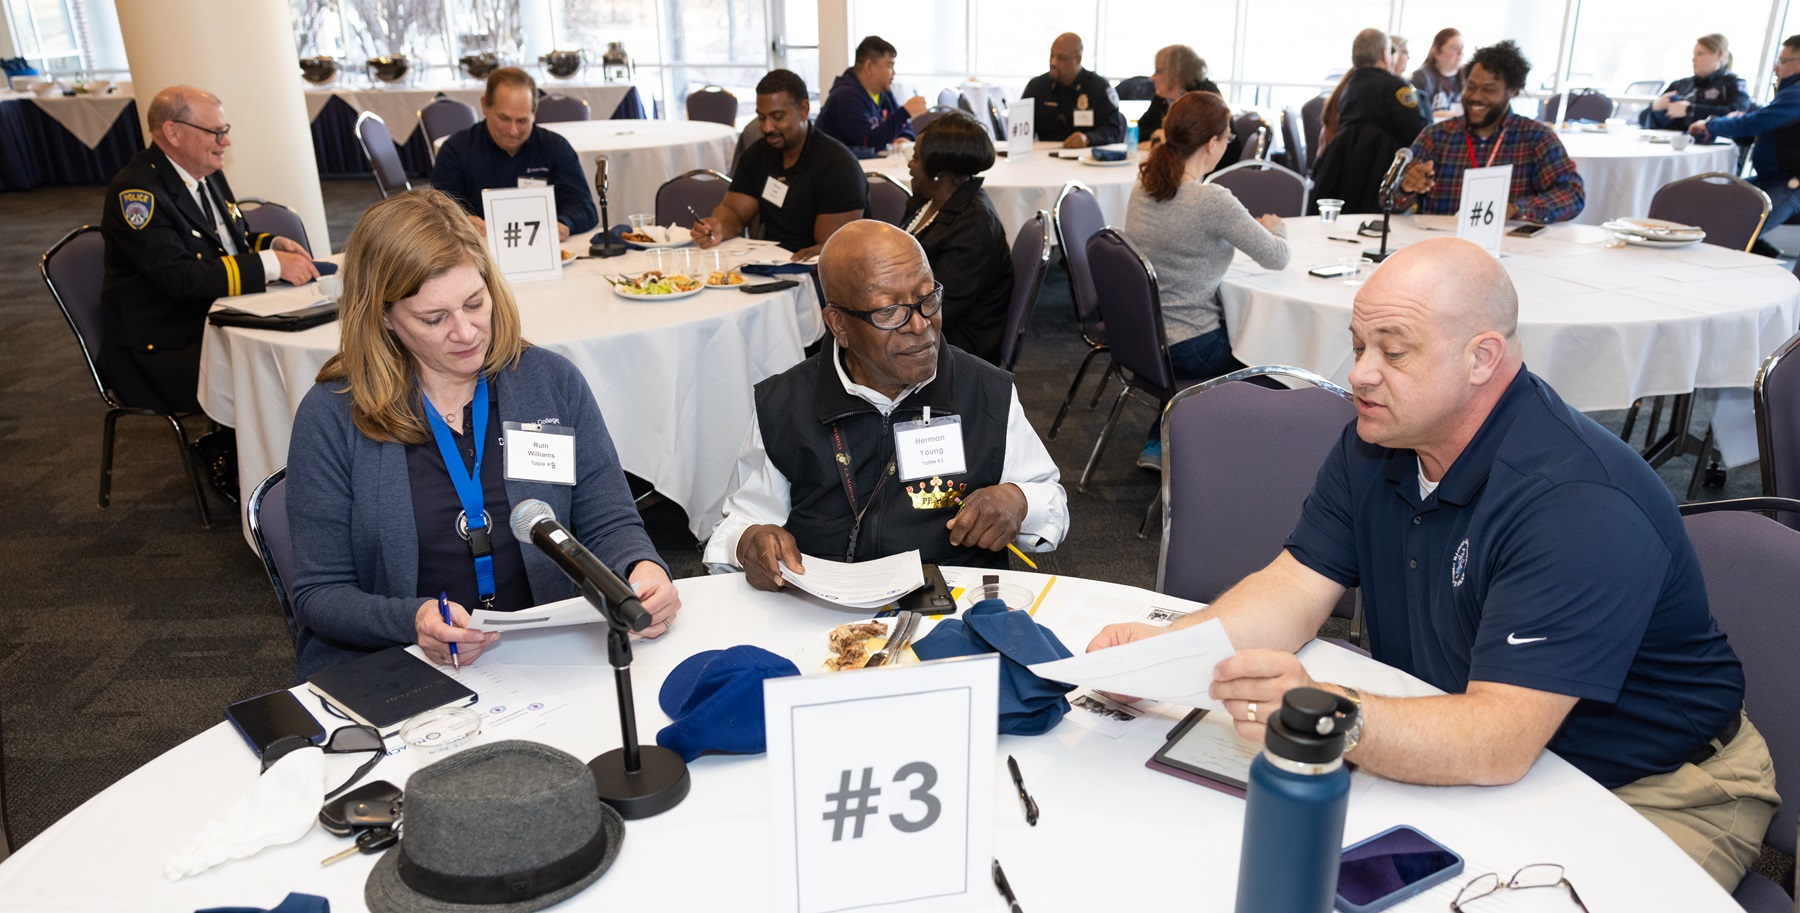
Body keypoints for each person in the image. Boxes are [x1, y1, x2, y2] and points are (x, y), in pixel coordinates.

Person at [1088, 236, 1777, 893]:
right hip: (1483, 734)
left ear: (1482, 357)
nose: (1359, 373)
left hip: (1659, 789)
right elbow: (1293, 585)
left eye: (1394, 351)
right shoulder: (1381, 436)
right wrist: (1165, 653)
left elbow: (1500, 738)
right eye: (1359, 346)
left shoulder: (1576, 502)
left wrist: (1328, 716)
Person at [285, 190, 679, 679]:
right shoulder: (333, 415)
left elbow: (609, 524)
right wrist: (411, 620)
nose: (467, 332)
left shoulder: (549, 382)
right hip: (402, 666)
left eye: (475, 303)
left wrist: (643, 570)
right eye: (434, 318)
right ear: (383, 317)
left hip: (549, 653)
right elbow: (320, 594)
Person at [703, 221, 1067, 587]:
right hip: (821, 607)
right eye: (889, 311)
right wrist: (748, 542)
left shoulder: (986, 392)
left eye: (928, 298)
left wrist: (1018, 500)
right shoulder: (785, 404)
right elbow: (741, 522)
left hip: (950, 604)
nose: (920, 325)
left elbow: (1052, 503)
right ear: (839, 325)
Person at [100, 85, 318, 415]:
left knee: (303, 344)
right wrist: (271, 264)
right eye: (216, 132)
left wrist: (271, 245)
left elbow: (225, 242)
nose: (225, 142)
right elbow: (181, 278)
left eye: (224, 131)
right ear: (173, 132)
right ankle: (258, 460)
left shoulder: (205, 171)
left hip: (210, 317)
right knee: (278, 373)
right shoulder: (137, 192)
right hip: (167, 341)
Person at [1124, 91, 1289, 469]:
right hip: (1194, 346)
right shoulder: (1211, 200)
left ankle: (1161, 437)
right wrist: (1279, 229)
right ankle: (1240, 458)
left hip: (1146, 339)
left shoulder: (1144, 187)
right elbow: (1276, 258)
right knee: (1282, 355)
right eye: (1227, 137)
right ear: (1213, 142)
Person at [1395, 40, 1585, 224]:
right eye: (1471, 87)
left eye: (1489, 89)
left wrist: (1516, 209)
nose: (1476, 96)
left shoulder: (1536, 138)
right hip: (1442, 244)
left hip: (1511, 248)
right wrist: (1406, 186)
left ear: (1512, 91)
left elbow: (1572, 195)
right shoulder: (1436, 136)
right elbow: (1389, 199)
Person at [691, 69, 867, 260]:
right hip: (769, 263)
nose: (767, 127)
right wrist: (718, 226)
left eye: (777, 117)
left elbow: (831, 250)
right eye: (761, 117)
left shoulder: (838, 166)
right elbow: (733, 211)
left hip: (816, 275)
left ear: (804, 110)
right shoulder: (757, 154)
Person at [431, 67, 598, 241]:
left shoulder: (555, 147)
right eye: (503, 118)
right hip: (478, 253)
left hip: (544, 246)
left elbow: (585, 208)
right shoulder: (456, 150)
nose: (512, 131)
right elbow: (437, 212)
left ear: (534, 114)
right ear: (485, 106)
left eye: (522, 120)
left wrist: (564, 223)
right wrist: (463, 222)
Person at [902, 112, 1013, 365]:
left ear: (938, 171)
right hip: (923, 318)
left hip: (956, 343)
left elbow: (937, 308)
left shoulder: (973, 225)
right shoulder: (926, 200)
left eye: (916, 158)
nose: (910, 164)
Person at [1690, 35, 1800, 249]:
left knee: (1742, 227)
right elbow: (1762, 125)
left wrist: (1712, 126)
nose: (1776, 69)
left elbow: (1757, 122)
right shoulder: (1789, 92)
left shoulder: (1796, 94)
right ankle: (1765, 257)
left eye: (1783, 62)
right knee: (1712, 204)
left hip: (1792, 184)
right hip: (1772, 178)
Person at [1313, 28, 1429, 214]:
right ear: (1385, 53)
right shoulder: (1397, 87)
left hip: (1343, 172)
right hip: (1380, 172)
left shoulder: (1348, 86)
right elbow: (1417, 132)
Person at [816, 35, 927, 159]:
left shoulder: (883, 92)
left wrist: (904, 138)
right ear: (869, 67)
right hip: (838, 171)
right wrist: (904, 112)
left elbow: (904, 126)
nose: (894, 73)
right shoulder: (845, 96)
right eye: (889, 66)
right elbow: (868, 143)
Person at [1022, 32, 1125, 148]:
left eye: (1061, 58)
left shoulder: (1098, 87)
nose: (1053, 62)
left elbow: (1112, 130)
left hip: (1086, 158)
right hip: (1045, 158)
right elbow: (1020, 130)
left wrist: (1089, 138)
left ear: (1078, 59)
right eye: (1052, 55)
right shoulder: (1036, 87)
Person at [1643, 34, 1753, 132]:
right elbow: (1642, 119)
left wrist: (1689, 110)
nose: (1693, 59)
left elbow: (1738, 114)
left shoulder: (1733, 84)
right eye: (1694, 54)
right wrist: (1655, 107)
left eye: (1700, 54)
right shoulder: (1679, 85)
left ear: (1719, 54)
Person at [1137, 44, 1219, 147]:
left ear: (1175, 72)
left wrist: (1161, 140)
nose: (1152, 78)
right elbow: (1140, 131)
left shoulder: (1205, 94)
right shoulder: (1163, 97)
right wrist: (1156, 133)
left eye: (1158, 71)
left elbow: (1196, 143)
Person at [1410, 28, 1465, 117]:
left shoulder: (1466, 75)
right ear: (1436, 52)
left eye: (1462, 48)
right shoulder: (1422, 76)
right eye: (1455, 48)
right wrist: (1453, 115)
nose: (1460, 53)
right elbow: (1417, 114)